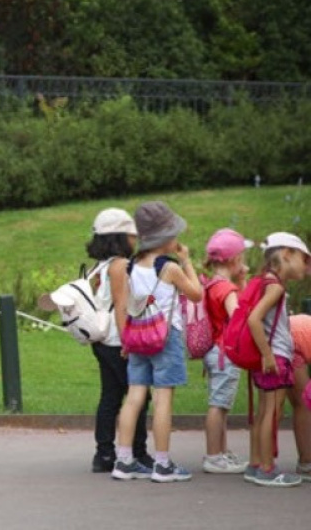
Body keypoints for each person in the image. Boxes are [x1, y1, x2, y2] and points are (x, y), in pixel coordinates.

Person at [111, 201, 202, 483]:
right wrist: (187, 261)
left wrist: (125, 340)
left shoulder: (131, 266)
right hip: (165, 337)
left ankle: (123, 460)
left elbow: (125, 305)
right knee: (163, 399)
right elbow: (197, 294)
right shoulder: (169, 267)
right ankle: (162, 464)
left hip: (138, 336)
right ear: (165, 238)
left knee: (134, 397)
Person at [85, 208, 153, 473]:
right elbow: (121, 306)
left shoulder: (99, 266)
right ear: (119, 237)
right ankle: (137, 452)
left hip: (101, 339)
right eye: (131, 235)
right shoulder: (120, 266)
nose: (135, 240)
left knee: (110, 397)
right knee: (138, 396)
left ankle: (104, 454)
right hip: (118, 341)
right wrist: (129, 341)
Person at [245, 232, 311, 487]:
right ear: (286, 254)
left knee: (264, 412)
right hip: (275, 357)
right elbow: (254, 319)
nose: (306, 266)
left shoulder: (266, 281)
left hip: (269, 357)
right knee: (271, 412)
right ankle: (267, 469)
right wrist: (268, 354)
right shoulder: (275, 287)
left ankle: (255, 464)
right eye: (304, 259)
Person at [200, 228, 251, 474]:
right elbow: (238, 318)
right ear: (235, 259)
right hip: (225, 353)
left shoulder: (213, 284)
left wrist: (240, 282)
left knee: (220, 404)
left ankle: (220, 452)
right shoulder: (226, 289)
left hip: (215, 351)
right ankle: (213, 457)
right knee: (218, 405)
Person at [286, 314, 311, 481]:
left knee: (301, 404)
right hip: (291, 342)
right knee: (304, 403)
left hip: (289, 335)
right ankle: (306, 462)